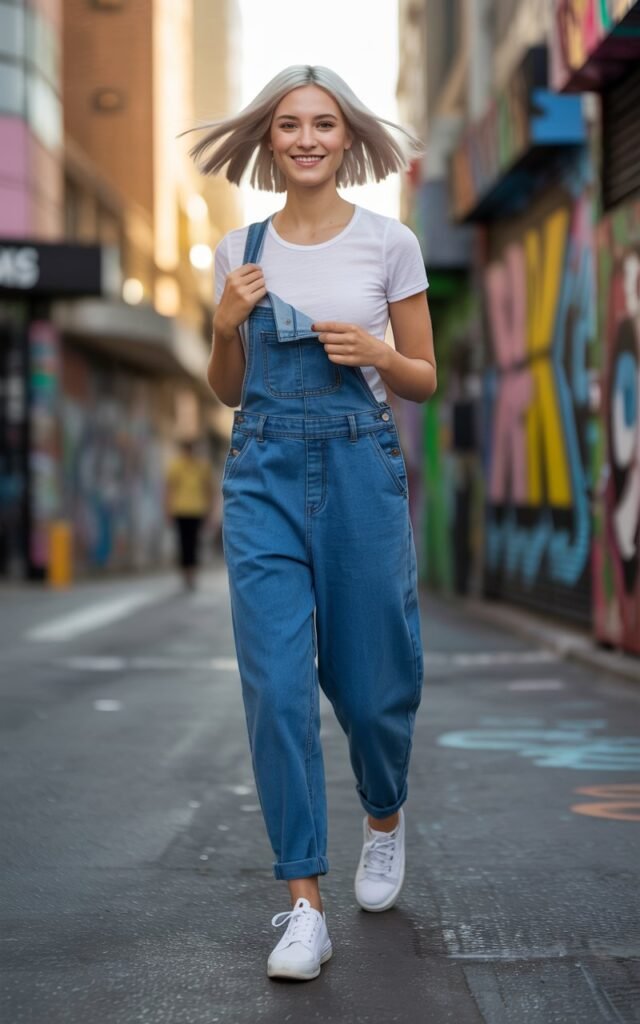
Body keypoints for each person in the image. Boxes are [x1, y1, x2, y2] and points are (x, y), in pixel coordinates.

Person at [183, 65, 436, 980]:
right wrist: (223, 326)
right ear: (267, 140)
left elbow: (422, 377)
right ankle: (302, 905)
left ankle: (383, 813)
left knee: (373, 690)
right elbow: (229, 392)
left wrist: (375, 350)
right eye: (289, 124)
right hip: (263, 474)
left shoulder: (389, 243)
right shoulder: (238, 249)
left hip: (361, 469)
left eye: (323, 123)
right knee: (277, 690)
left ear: (347, 137)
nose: (306, 138)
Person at [164, 439, 214, 591]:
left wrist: (209, 509)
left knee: (193, 543)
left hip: (197, 510)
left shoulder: (201, 467)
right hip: (180, 510)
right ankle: (185, 573)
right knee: (183, 543)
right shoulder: (176, 466)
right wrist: (168, 509)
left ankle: (192, 573)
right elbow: (170, 489)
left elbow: (208, 489)